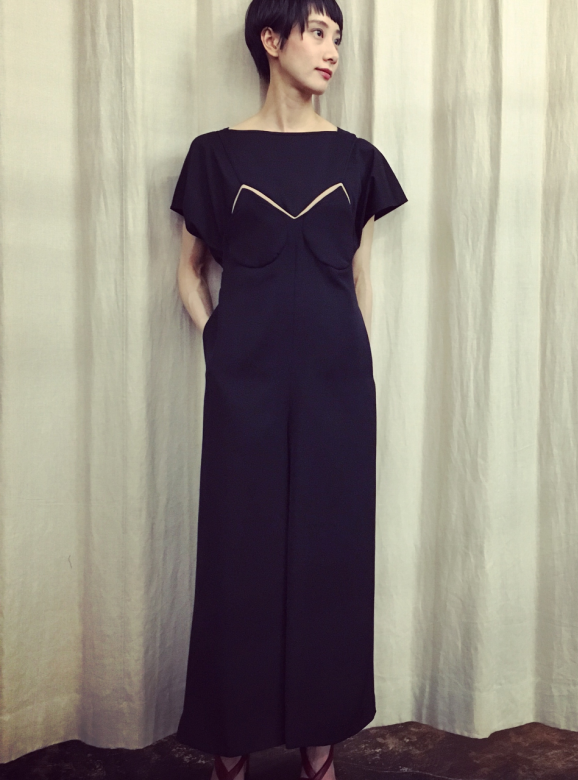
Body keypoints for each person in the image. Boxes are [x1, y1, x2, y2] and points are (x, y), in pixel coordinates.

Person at [170, 1, 408, 779]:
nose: (332, 49)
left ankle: (320, 740)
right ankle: (230, 742)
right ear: (271, 40)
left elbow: (359, 274)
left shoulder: (357, 159)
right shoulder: (215, 155)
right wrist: (221, 342)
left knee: (331, 553)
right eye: (317, 32)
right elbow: (188, 273)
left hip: (338, 384)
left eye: (338, 36)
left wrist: (353, 358)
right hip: (245, 383)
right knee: (238, 552)